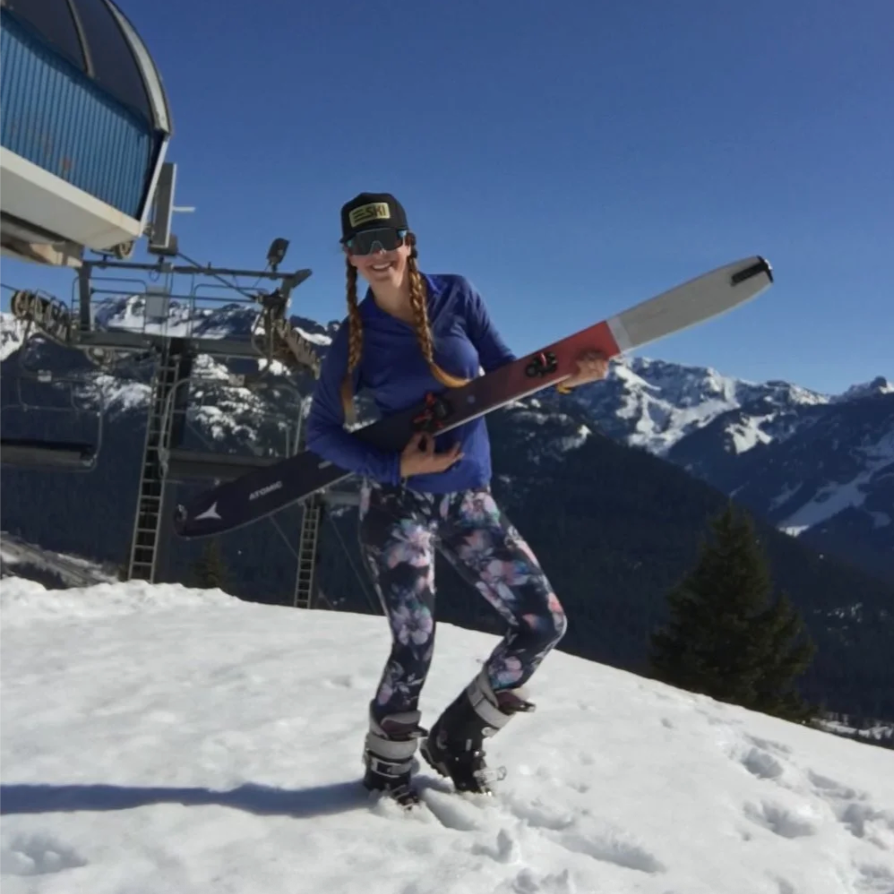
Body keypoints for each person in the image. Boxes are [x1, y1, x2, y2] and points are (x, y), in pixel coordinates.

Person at [305, 192, 609, 808]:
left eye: (386, 241)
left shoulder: (457, 297)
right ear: (349, 258)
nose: (377, 255)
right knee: (415, 640)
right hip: (397, 505)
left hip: (469, 499)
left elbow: (506, 372)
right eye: (362, 247)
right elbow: (321, 435)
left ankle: (458, 736)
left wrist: (568, 379)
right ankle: (387, 768)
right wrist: (394, 464)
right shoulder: (355, 337)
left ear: (408, 242)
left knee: (543, 623)